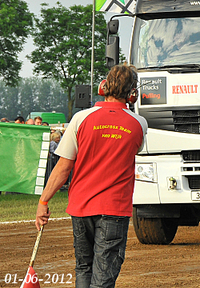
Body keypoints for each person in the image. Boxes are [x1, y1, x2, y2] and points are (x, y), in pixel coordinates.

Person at [35, 64, 147, 288]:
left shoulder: (80, 119)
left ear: (103, 87)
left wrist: (43, 201)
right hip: (114, 209)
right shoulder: (139, 124)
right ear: (132, 93)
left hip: (81, 207)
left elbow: (63, 168)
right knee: (104, 275)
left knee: (83, 267)